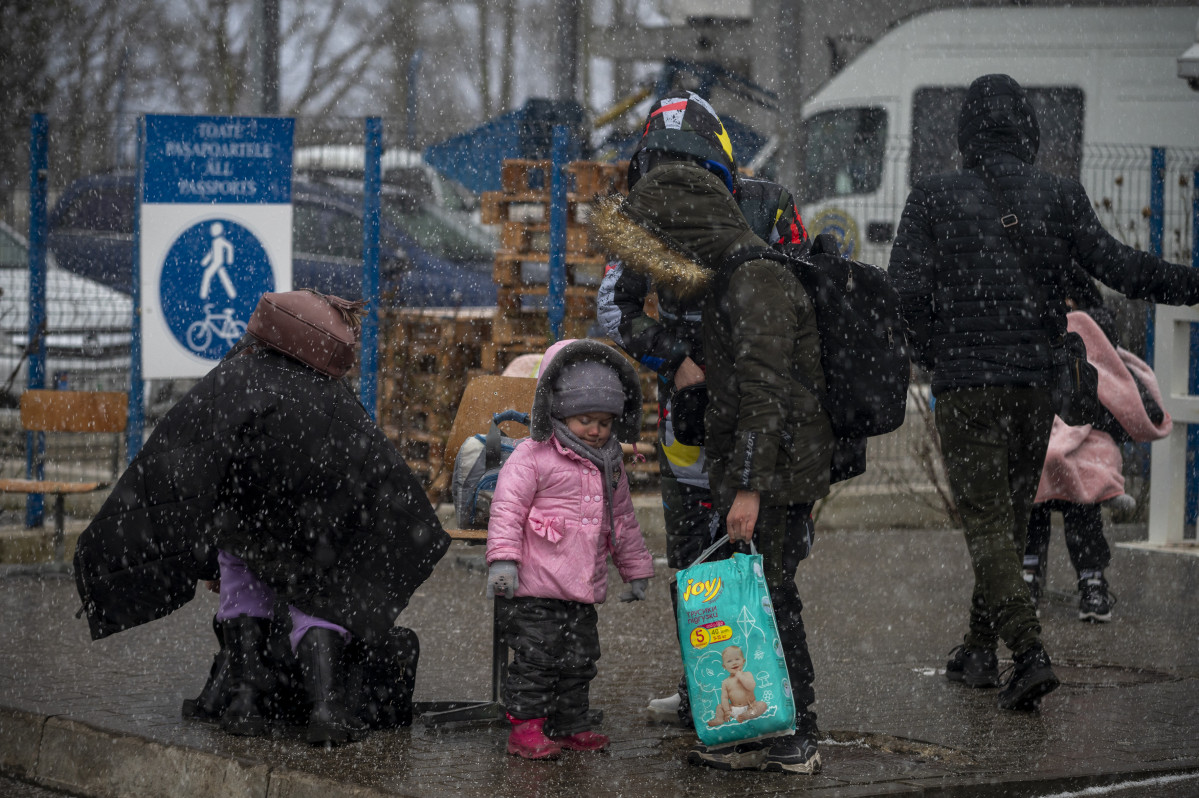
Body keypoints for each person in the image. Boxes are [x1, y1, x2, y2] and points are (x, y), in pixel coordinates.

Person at [888, 73, 1199, 711]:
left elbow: (904, 296)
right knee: (1003, 519)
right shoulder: (1058, 196)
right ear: (1027, 129)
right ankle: (978, 650)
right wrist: (1191, 283)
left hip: (969, 387)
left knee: (987, 523)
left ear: (966, 132)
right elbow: (1119, 267)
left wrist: (937, 354)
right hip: (1035, 386)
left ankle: (1027, 654)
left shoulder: (933, 198)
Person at [74, 291, 450, 745]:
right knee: (322, 597)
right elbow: (377, 474)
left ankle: (244, 703)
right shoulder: (334, 397)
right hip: (321, 528)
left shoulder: (238, 376)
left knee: (243, 588)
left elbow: (187, 452)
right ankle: (326, 709)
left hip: (246, 520)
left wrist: (182, 539)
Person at [590, 104, 831, 775]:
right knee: (695, 568)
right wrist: (674, 356)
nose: (676, 181)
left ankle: (784, 719)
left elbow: (801, 307)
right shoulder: (643, 214)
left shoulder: (767, 210)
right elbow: (614, 310)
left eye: (692, 166)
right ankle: (714, 690)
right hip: (693, 425)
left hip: (763, 418)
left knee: (763, 575)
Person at [485, 338, 654, 760]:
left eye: (603, 422)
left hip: (582, 586)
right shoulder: (533, 455)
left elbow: (623, 522)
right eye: (584, 420)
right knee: (536, 659)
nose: (595, 430)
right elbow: (507, 509)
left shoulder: (610, 464)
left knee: (579, 660)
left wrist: (635, 569)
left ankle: (570, 723)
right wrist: (503, 560)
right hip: (536, 585)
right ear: (559, 412)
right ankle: (526, 727)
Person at [1024, 276, 1172, 623]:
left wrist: (1086, 422)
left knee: (1074, 496)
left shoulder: (1094, 336)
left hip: (1083, 438)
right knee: (1046, 493)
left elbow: (1117, 392)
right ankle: (1051, 576)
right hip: (1047, 436)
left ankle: (1082, 577)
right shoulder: (1038, 331)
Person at [706, 645, 769, 727]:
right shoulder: (725, 682)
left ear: (743, 661)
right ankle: (719, 719)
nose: (734, 663)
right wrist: (727, 711)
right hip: (733, 708)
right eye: (729, 661)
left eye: (737, 659)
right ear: (724, 666)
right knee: (719, 706)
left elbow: (751, 687)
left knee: (762, 705)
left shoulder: (747, 674)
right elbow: (724, 698)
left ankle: (746, 715)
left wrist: (741, 677)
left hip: (750, 706)